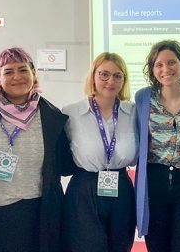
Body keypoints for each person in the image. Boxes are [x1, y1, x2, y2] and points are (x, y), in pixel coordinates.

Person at [0, 47, 71, 252]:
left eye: (23, 70)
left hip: (36, 211)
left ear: (33, 73)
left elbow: (63, 164)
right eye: (8, 71)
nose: (17, 77)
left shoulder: (52, 115)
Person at [134, 40, 180, 252]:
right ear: (152, 69)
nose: (166, 69)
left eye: (171, 62)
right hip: (153, 183)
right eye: (159, 64)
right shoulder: (143, 98)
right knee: (156, 246)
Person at [61, 52, 137, 252]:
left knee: (120, 246)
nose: (110, 81)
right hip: (85, 189)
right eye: (104, 74)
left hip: (121, 187)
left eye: (117, 75)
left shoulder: (133, 112)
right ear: (93, 76)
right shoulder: (71, 113)